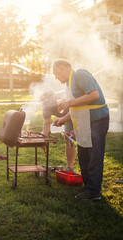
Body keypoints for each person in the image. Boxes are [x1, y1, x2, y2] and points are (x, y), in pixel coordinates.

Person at [52, 59, 109, 200]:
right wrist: (63, 119)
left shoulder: (80, 74)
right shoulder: (69, 83)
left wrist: (69, 103)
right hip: (84, 122)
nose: (55, 77)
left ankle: (94, 191)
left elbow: (94, 95)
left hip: (97, 120)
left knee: (94, 156)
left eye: (56, 73)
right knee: (84, 155)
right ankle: (89, 187)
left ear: (63, 68)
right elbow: (76, 107)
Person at [40, 88, 76, 172]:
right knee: (68, 137)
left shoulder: (66, 99)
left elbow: (75, 110)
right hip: (67, 118)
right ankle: (70, 168)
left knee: (81, 139)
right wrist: (45, 141)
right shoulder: (46, 107)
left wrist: (63, 119)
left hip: (78, 114)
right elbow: (46, 124)